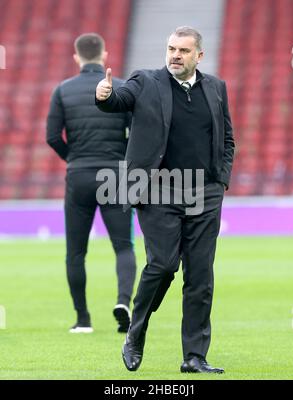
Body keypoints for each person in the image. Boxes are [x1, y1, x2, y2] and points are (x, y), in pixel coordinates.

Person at [95, 26, 235, 373]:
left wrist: (221, 180)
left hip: (205, 192)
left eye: (184, 50)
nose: (175, 55)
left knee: (200, 277)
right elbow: (117, 101)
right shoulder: (145, 81)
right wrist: (104, 95)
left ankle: (194, 356)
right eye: (171, 48)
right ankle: (135, 334)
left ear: (199, 56)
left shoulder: (217, 88)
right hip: (159, 189)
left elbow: (227, 137)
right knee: (163, 266)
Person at [47, 33, 137, 334]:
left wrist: (73, 158)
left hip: (80, 175)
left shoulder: (63, 90)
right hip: (115, 174)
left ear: (77, 57)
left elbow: (51, 137)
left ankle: (82, 319)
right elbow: (136, 133)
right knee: (124, 246)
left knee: (75, 252)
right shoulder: (123, 87)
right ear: (105, 55)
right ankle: (124, 303)